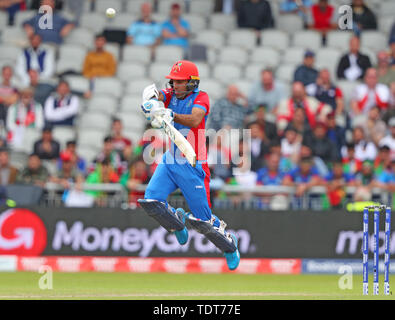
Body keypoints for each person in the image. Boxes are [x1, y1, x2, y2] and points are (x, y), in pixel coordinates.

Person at [140, 60, 240, 270]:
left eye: (179, 82)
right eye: (173, 82)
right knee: (151, 200)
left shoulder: (201, 97)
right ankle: (177, 225)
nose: (174, 85)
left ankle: (230, 246)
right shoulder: (170, 94)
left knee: (203, 221)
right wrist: (150, 101)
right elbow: (158, 96)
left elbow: (195, 120)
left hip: (193, 164)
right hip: (170, 160)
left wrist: (171, 115)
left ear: (191, 82)